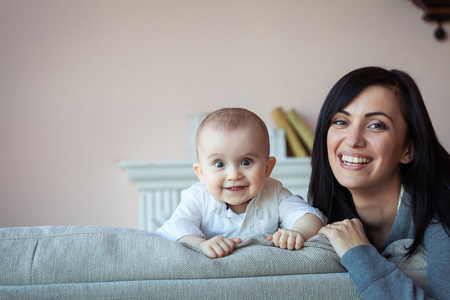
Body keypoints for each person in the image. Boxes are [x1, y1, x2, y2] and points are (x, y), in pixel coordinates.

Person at [309, 66, 450, 299]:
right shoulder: (319, 211)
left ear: (408, 149)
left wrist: (360, 256)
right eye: (341, 121)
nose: (353, 140)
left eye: (376, 125)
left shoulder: (442, 214)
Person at [156, 108, 326, 259]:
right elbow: (176, 229)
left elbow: (311, 217)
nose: (234, 175)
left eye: (246, 162)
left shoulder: (274, 193)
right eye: (219, 164)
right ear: (201, 174)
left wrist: (298, 233)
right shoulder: (198, 197)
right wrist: (200, 244)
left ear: (267, 168)